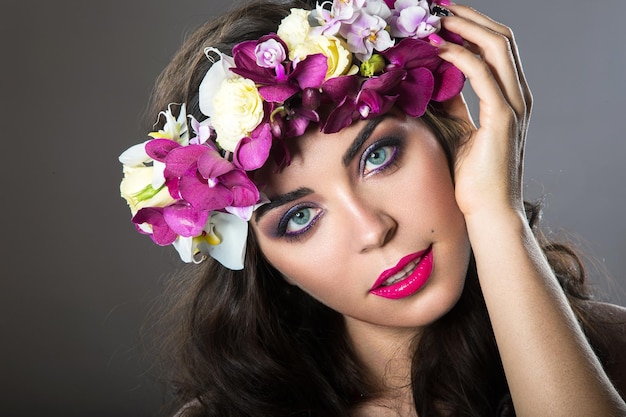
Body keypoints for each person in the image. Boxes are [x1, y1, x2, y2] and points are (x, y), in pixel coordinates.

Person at [119, 0, 626, 415]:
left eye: (378, 157)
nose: (372, 230)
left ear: (443, 132)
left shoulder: (612, 352)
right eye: (299, 218)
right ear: (264, 261)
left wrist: (497, 214)